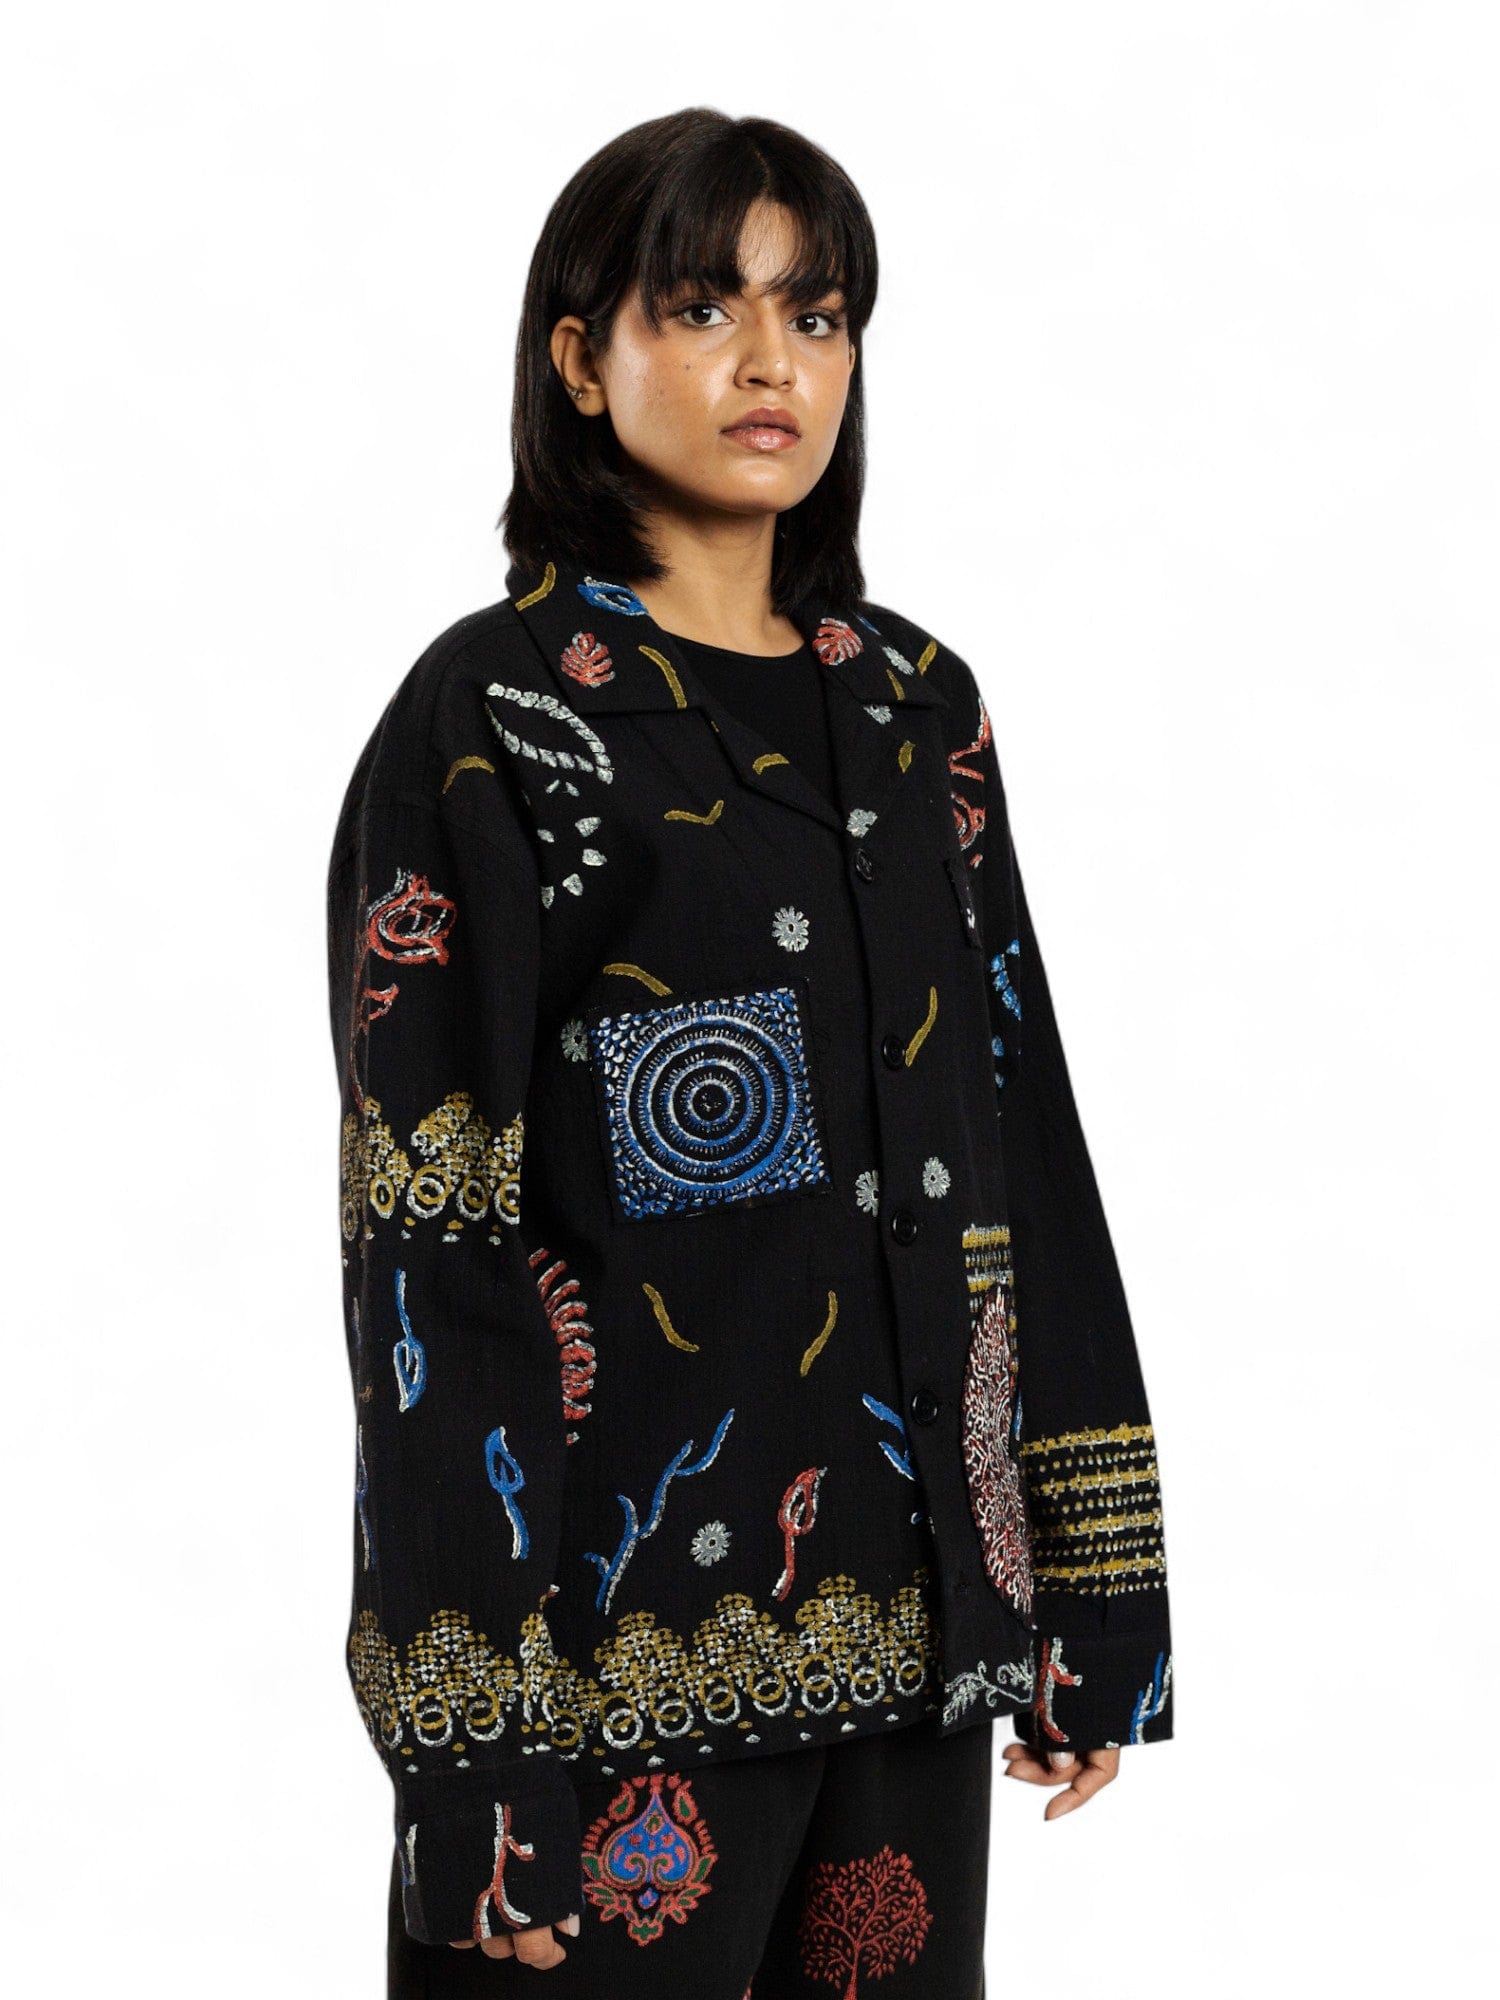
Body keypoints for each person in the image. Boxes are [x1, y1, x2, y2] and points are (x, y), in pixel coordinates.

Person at [326, 108, 1174, 1999]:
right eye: (704, 307)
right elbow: (431, 1250)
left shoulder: (919, 708)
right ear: (581, 356)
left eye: (818, 312)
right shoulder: (493, 722)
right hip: (598, 1694)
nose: (771, 360)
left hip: (918, 1657)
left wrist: (1093, 1583)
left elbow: (1021, 1145)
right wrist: (467, 1745)